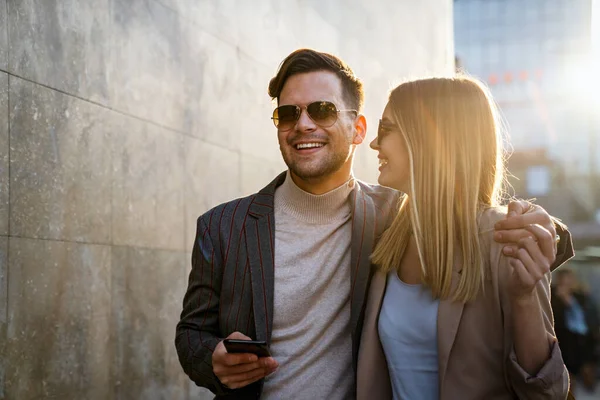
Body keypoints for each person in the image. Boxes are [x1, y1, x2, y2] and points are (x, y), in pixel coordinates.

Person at [175, 49, 574, 399]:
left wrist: (539, 225)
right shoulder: (224, 226)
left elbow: (478, 219)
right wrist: (212, 359)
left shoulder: (386, 215)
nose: (303, 125)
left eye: (323, 110)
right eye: (288, 113)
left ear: (358, 130)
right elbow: (190, 333)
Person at [357, 76, 573, 399]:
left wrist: (524, 297)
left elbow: (546, 394)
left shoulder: (504, 241)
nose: (374, 143)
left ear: (428, 140)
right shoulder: (389, 237)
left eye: (386, 129)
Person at [552, 268, 599, 393]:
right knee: (568, 378)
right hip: (563, 342)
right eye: (564, 281)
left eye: (569, 281)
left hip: (582, 341)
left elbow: (587, 318)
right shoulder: (551, 297)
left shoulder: (580, 296)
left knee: (586, 371)